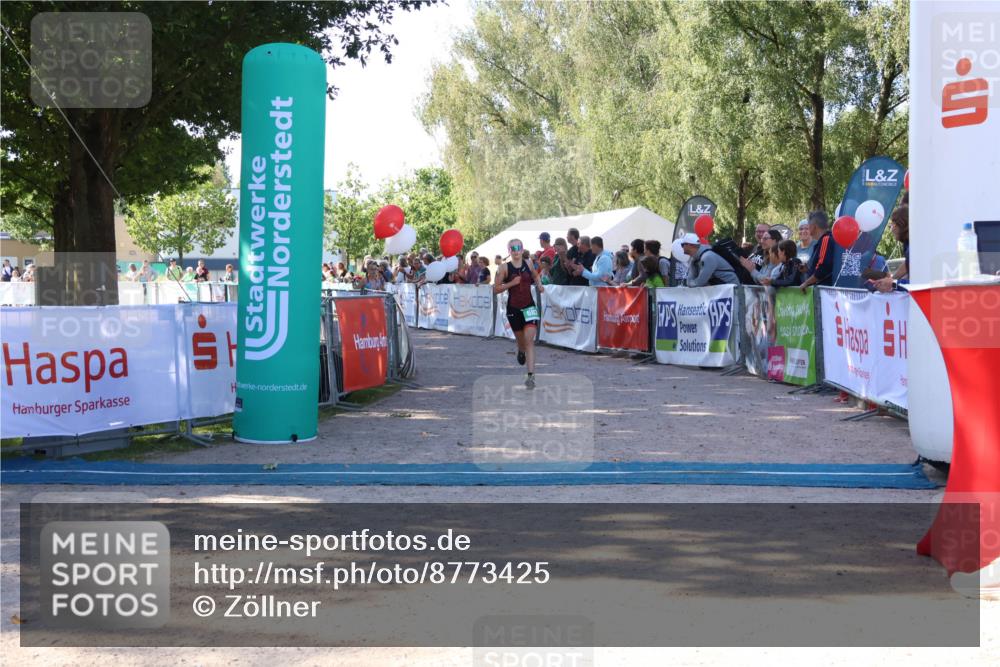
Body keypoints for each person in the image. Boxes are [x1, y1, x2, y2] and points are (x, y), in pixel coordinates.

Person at [494, 238, 544, 389]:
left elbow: (535, 275)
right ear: (509, 251)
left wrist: (539, 285)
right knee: (522, 342)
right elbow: (495, 288)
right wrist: (511, 283)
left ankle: (530, 376)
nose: (516, 251)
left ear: (522, 249)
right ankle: (520, 350)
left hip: (529, 307)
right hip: (514, 309)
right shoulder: (504, 268)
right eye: (513, 248)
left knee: (530, 340)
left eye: (518, 248)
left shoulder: (528, 263)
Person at [871, 206, 909, 293]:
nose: (891, 230)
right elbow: (908, 264)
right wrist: (891, 279)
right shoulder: (908, 244)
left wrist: (892, 284)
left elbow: (916, 285)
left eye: (890, 225)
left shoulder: (914, 247)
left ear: (897, 225)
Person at [800, 210, 835, 292]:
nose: (808, 228)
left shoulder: (826, 239)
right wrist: (808, 268)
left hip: (823, 291)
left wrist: (806, 283)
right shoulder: (823, 240)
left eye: (808, 225)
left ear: (814, 226)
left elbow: (823, 268)